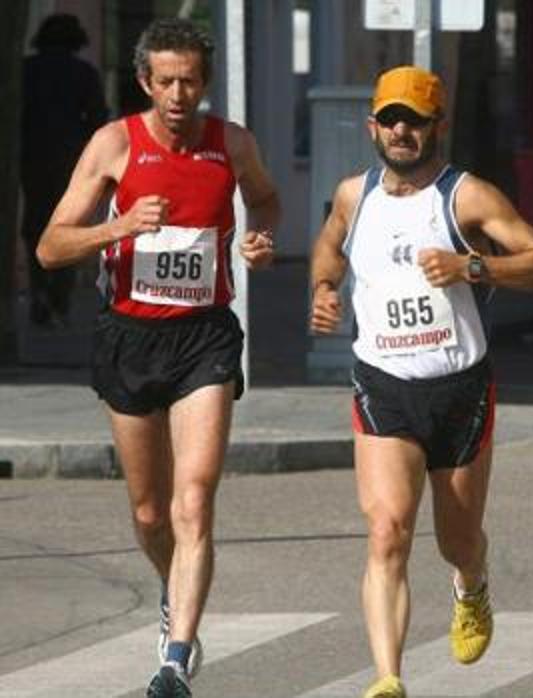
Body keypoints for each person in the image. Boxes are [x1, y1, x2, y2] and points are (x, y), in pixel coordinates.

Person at [35, 18, 280, 698]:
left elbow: (265, 200)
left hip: (204, 335)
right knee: (150, 512)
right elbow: (51, 248)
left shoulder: (230, 142)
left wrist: (260, 237)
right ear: (145, 81)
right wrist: (120, 224)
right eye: (166, 81)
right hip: (129, 338)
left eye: (191, 81)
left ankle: (175, 658)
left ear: (204, 83)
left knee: (194, 500)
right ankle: (173, 594)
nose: (179, 94)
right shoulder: (114, 145)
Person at [309, 66, 533, 698]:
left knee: (456, 540)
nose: (402, 131)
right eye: (391, 118)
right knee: (388, 530)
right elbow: (330, 245)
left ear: (437, 126)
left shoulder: (466, 197)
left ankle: (472, 581)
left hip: (459, 389)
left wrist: (472, 265)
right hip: (383, 383)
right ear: (373, 125)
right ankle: (388, 677)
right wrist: (321, 289)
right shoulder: (352, 195)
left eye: (415, 120)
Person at [21, 13, 108, 327]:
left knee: (35, 223)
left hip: (31, 157)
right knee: (70, 224)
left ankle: (39, 291)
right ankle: (60, 297)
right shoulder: (84, 73)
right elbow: (98, 118)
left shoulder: (25, 71)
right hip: (73, 161)